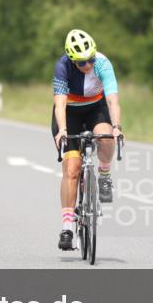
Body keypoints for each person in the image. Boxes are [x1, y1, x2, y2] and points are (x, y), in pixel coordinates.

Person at [52, 29, 122, 251]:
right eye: (82, 62)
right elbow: (60, 103)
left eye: (90, 58)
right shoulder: (62, 67)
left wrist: (117, 127)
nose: (88, 65)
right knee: (71, 169)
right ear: (72, 60)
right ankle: (67, 227)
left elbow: (112, 100)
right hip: (70, 112)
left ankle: (104, 174)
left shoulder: (102, 63)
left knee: (107, 136)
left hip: (95, 108)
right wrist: (62, 130)